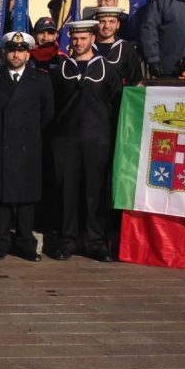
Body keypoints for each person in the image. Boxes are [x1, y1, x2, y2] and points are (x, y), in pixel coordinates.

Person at [49, 19, 121, 261]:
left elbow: (116, 105)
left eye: (83, 38)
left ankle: (97, 241)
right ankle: (67, 240)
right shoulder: (59, 70)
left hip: (97, 140)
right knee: (66, 192)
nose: (78, 43)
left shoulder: (108, 69)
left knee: (95, 192)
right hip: (65, 140)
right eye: (75, 38)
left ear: (92, 38)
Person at [0, 32, 53, 262]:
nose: (16, 54)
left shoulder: (40, 79)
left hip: (27, 146)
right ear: (4, 52)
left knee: (26, 199)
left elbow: (47, 114)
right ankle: (0, 242)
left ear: (28, 54)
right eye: (12, 50)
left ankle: (26, 243)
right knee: (1, 198)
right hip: (0, 145)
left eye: (21, 50)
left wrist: (29, 135)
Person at [92, 6, 144, 85]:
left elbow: (136, 82)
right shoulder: (87, 48)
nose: (106, 26)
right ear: (96, 25)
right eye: (102, 21)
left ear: (118, 25)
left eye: (111, 22)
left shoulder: (127, 49)